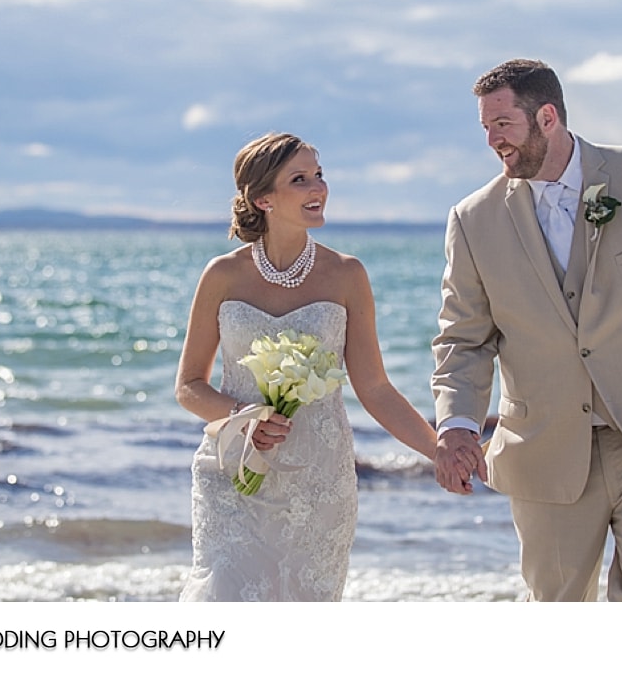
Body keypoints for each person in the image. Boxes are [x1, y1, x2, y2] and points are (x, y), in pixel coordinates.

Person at [431, 59, 622, 602]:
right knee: (556, 606)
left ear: (547, 116)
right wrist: (456, 427)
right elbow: (464, 339)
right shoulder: (473, 219)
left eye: (502, 124)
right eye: (485, 127)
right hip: (545, 447)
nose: (492, 141)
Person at [176, 132, 436, 601]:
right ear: (263, 198)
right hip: (233, 475)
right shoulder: (221, 275)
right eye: (300, 179)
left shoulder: (347, 275)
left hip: (318, 484)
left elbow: (375, 388)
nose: (318, 188)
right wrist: (244, 416)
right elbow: (190, 386)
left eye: (319, 175)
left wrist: (439, 451)